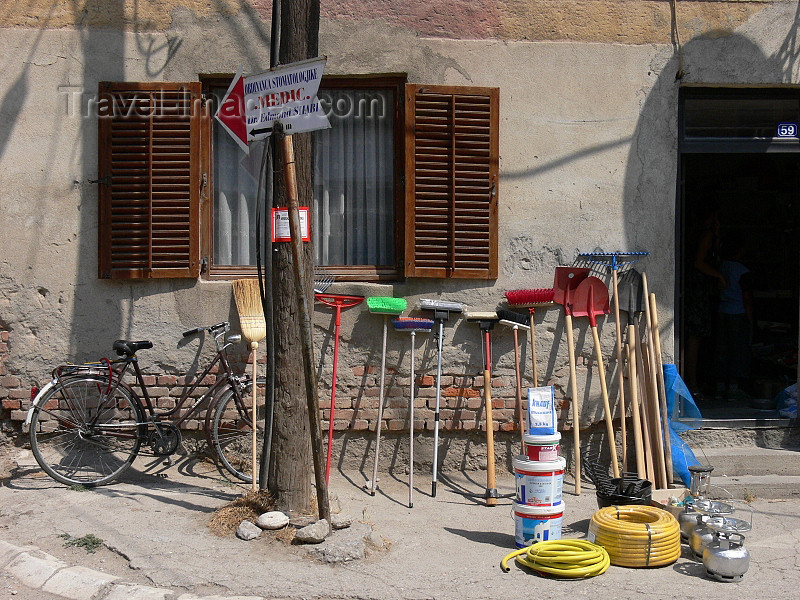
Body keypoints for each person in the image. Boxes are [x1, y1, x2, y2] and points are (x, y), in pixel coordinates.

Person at [684, 204, 725, 398]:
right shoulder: (705, 235)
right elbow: (699, 262)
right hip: (698, 291)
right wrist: (719, 276)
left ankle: (695, 382)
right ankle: (693, 383)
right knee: (696, 337)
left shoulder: (697, 233)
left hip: (697, 290)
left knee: (697, 336)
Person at [713, 233, 753, 401]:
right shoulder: (743, 271)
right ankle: (734, 388)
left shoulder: (721, 266)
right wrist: (751, 320)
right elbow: (747, 298)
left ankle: (720, 387)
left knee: (722, 348)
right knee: (737, 350)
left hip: (722, 311)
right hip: (737, 313)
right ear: (741, 251)